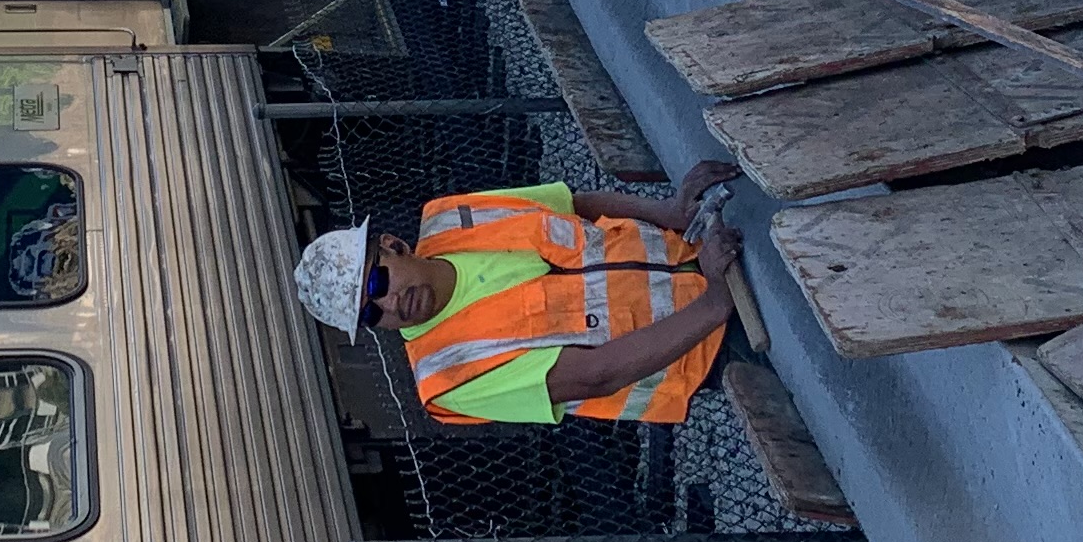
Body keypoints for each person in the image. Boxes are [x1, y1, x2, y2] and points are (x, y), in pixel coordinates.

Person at [291, 165, 745, 423]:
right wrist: (715, 303)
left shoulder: (451, 216)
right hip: (714, 347)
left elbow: (573, 206)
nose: (388, 305)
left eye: (376, 284)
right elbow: (596, 375)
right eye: (371, 315)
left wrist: (670, 212)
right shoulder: (449, 378)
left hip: (704, 241)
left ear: (392, 245)